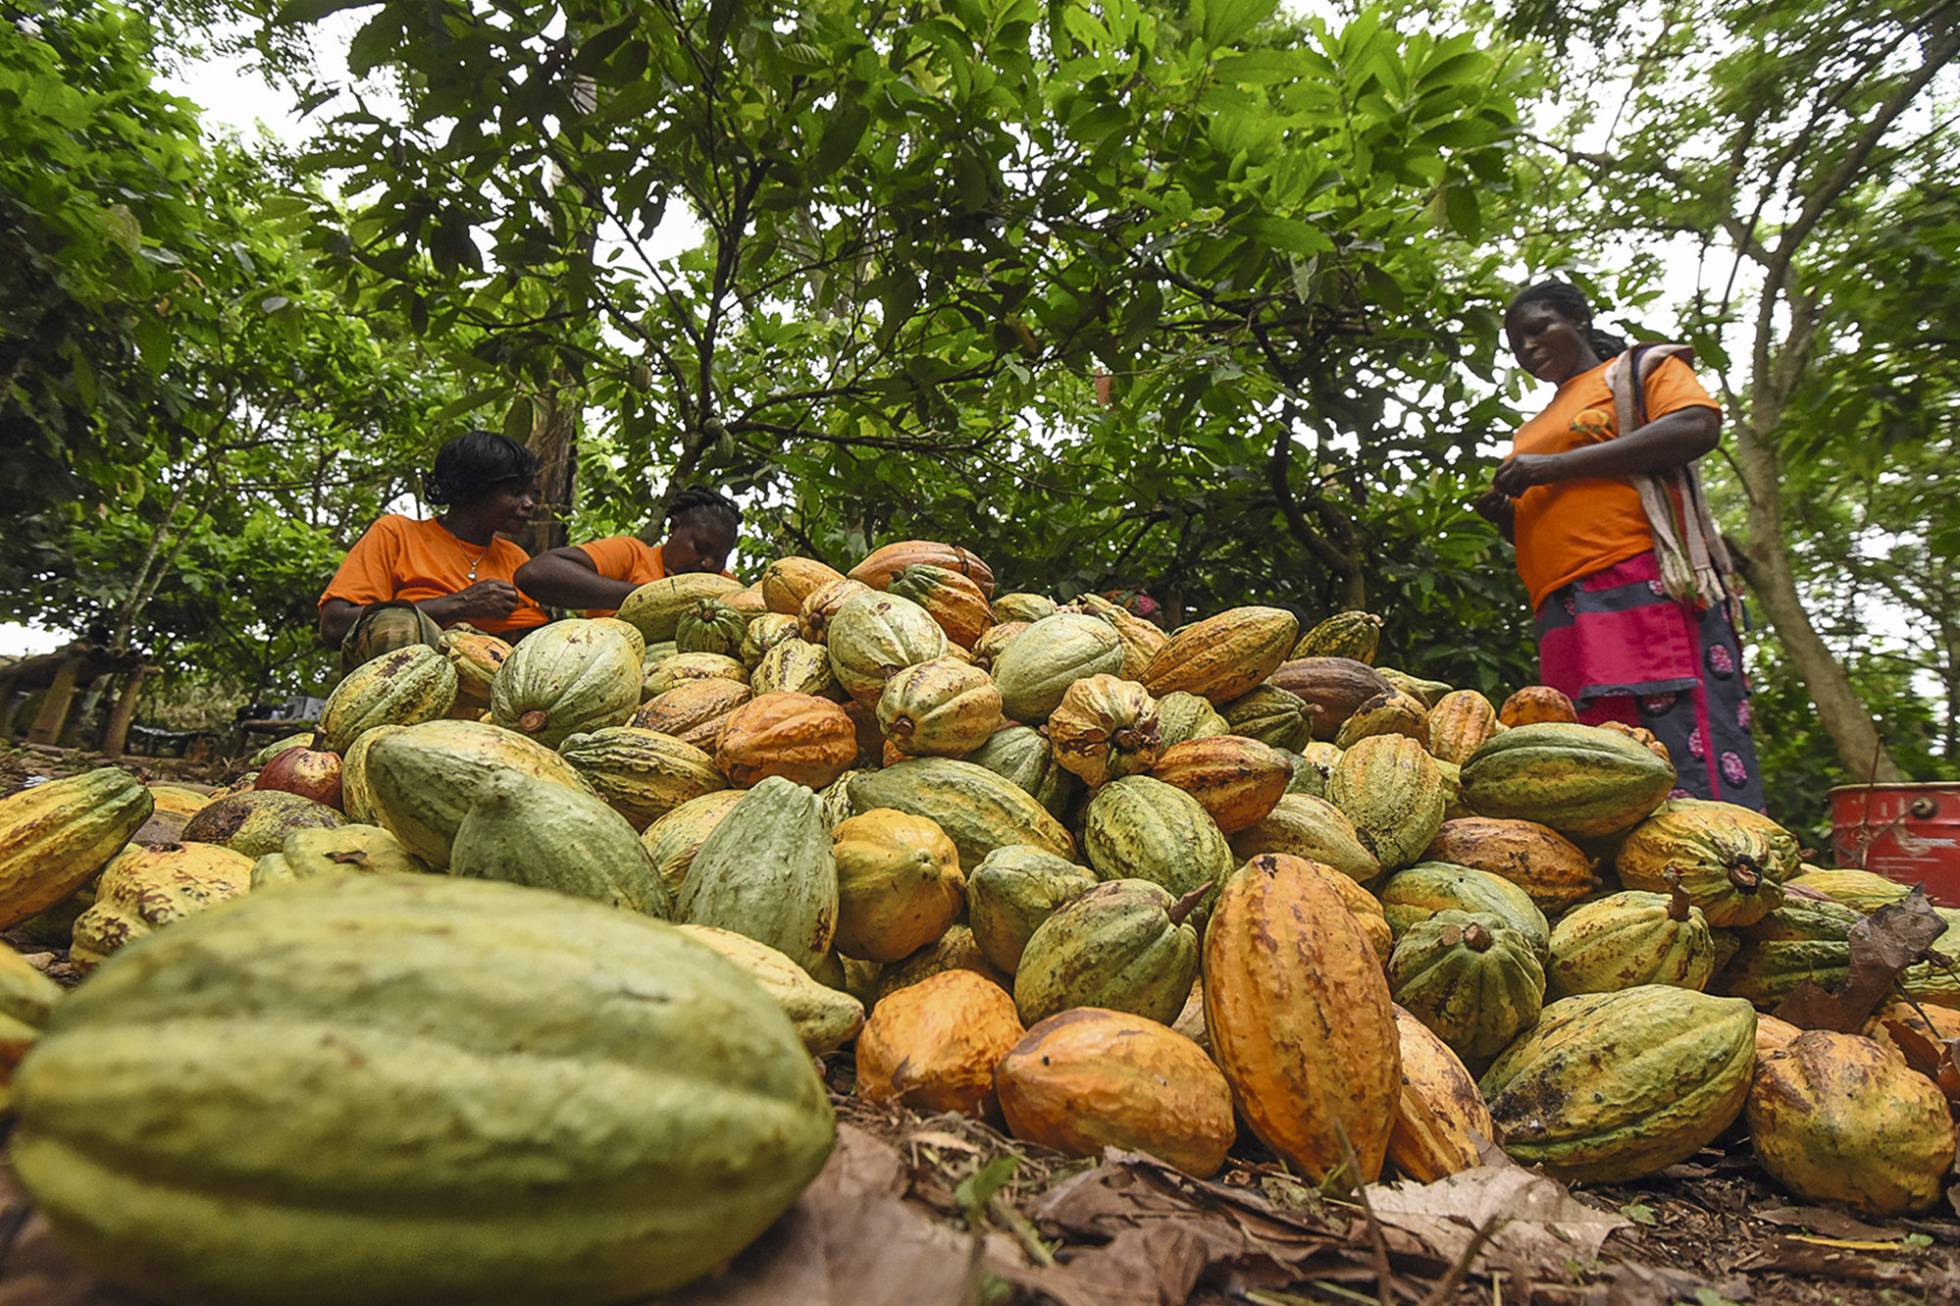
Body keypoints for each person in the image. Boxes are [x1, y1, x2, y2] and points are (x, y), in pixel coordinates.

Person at [1476, 280, 1763, 808]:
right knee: (1596, 748)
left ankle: (1723, 857)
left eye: (1539, 329)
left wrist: (1553, 466)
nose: (1529, 348)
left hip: (1639, 577)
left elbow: (1696, 425)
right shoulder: (1530, 428)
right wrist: (1506, 516)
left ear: (1579, 321)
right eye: (1518, 344)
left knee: (1679, 734)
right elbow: (1556, 509)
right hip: (1561, 602)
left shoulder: (1638, 369)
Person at [318, 431, 549, 649]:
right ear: (473, 489)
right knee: (399, 625)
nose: (529, 503)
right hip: (399, 680)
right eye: (515, 492)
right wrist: (462, 604)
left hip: (485, 686)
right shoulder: (397, 534)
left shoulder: (515, 559)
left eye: (532, 494)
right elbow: (334, 625)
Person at [515, 486, 741, 617]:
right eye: (700, 548)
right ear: (673, 528)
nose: (708, 564)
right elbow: (535, 574)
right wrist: (652, 598)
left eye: (720, 559)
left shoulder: (726, 588)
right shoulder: (633, 555)